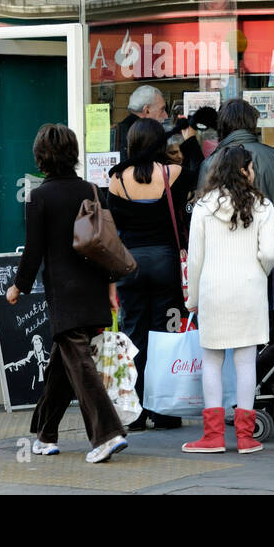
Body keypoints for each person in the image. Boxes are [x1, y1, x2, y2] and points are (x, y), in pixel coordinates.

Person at [6, 123, 129, 464]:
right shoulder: (91, 189)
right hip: (92, 284)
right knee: (63, 365)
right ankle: (45, 435)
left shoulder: (39, 196)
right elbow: (105, 245)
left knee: (80, 365)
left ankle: (107, 433)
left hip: (63, 290)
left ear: (40, 156)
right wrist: (110, 287)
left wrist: (18, 287)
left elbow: (34, 250)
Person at [181, 145, 274, 454]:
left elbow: (195, 259)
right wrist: (259, 271)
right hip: (249, 290)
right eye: (250, 167)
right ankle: (245, 436)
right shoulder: (263, 206)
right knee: (246, 361)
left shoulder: (203, 207)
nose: (254, 172)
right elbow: (271, 252)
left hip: (213, 290)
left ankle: (212, 436)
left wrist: (192, 298)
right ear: (243, 170)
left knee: (211, 360)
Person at [108, 116, 203, 430]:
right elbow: (200, 168)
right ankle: (164, 410)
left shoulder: (117, 179)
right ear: (160, 144)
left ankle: (134, 413)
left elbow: (114, 225)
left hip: (130, 264)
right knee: (166, 334)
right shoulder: (172, 173)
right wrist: (188, 137)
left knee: (133, 335)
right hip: (165, 262)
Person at [198, 99, 274, 239]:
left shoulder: (211, 163)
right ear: (252, 123)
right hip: (273, 244)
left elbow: (201, 217)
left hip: (226, 250)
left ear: (222, 126)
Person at [114, 85, 167, 165]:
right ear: (147, 110)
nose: (166, 116)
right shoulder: (148, 135)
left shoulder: (119, 129)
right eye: (162, 110)